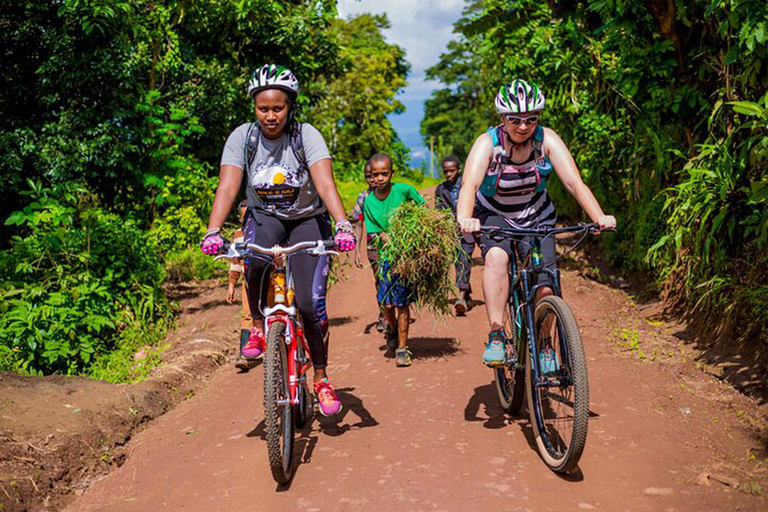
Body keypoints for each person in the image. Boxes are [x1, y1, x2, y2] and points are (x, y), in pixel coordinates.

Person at [200, 64, 356, 416]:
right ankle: (257, 326)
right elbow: (227, 186)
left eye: (278, 108)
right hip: (265, 218)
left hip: (308, 220)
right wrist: (213, 230)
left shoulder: (306, 135)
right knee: (253, 259)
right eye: (263, 109)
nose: (270, 116)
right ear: (254, 108)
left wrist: (343, 224)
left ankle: (320, 378)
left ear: (290, 107)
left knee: (309, 305)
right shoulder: (243, 138)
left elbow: (325, 183)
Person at [456, 79, 616, 367]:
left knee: (546, 284)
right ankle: (496, 334)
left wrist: (599, 217)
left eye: (531, 119)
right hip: (495, 215)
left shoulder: (547, 140)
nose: (522, 126)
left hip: (536, 214)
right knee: (495, 258)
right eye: (514, 119)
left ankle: (544, 344)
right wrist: (465, 219)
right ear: (502, 119)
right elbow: (469, 185)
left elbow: (573, 182)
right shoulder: (487, 144)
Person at [363, 153, 425, 367]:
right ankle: (391, 327)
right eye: (376, 174)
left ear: (392, 173)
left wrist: (413, 228)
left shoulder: (404, 190)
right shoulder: (369, 202)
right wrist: (386, 237)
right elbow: (375, 230)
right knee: (385, 302)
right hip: (386, 257)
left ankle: (402, 347)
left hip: (405, 257)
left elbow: (421, 208)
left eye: (385, 174)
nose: (380, 178)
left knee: (402, 303)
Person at [434, 155, 477, 316]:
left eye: (452, 171)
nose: (448, 174)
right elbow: (439, 209)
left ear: (459, 170)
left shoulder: (468, 186)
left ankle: (460, 297)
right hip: (451, 232)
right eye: (446, 172)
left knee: (464, 260)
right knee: (458, 261)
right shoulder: (441, 189)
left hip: (468, 230)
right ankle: (468, 296)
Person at [352, 161, 386, 333]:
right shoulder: (363, 198)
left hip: (393, 245)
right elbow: (358, 224)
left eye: (373, 175)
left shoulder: (391, 194)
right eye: (368, 176)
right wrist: (357, 250)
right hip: (374, 247)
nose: (372, 179)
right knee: (380, 280)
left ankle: (394, 312)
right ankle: (384, 314)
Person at [225, 201, 258, 370]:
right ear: (240, 219)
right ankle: (243, 354)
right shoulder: (239, 235)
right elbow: (236, 261)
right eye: (244, 218)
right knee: (247, 315)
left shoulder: (264, 231)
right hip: (249, 281)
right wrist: (232, 283)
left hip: (270, 280)